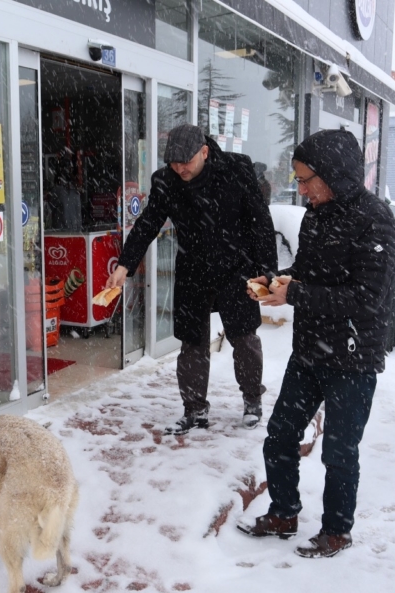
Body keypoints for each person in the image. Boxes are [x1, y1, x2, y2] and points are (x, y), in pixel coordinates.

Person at [237, 129, 395, 559]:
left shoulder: (374, 219)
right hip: (309, 351)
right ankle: (285, 512)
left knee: (339, 453)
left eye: (307, 180)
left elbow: (367, 300)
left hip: (352, 355)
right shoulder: (316, 215)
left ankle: (336, 531)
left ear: (333, 174)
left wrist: (296, 294)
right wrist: (277, 280)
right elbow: (307, 273)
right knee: (279, 436)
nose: (301, 189)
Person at [104, 124, 276, 433]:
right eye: (175, 163)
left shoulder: (236, 168)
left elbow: (260, 221)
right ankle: (195, 409)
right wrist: (124, 265)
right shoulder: (166, 180)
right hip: (193, 270)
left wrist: (267, 272)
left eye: (187, 162)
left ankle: (252, 400)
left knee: (245, 338)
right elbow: (147, 224)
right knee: (192, 343)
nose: (181, 169)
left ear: (205, 152)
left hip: (237, 267)